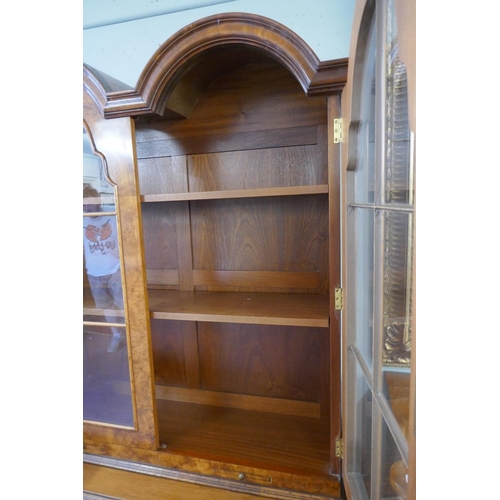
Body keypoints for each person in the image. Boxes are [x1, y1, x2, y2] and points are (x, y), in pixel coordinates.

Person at [83, 185, 126, 353]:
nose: (87, 208)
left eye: (90, 203)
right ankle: (117, 335)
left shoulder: (113, 213)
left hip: (116, 269)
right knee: (106, 306)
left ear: (99, 199)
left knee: (124, 304)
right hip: (94, 273)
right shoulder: (79, 219)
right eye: (83, 205)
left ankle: (131, 332)